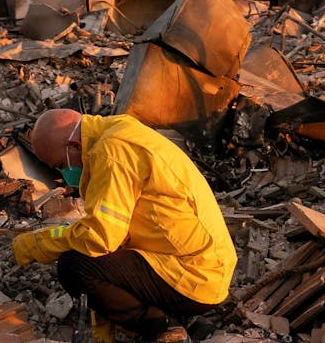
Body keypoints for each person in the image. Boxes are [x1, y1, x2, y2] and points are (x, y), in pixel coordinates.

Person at [12, 109, 235, 343]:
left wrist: (39, 243)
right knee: (90, 258)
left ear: (73, 146)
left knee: (75, 266)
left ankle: (161, 326)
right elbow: (114, 232)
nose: (63, 172)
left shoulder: (111, 152)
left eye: (60, 164)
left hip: (194, 277)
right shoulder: (119, 132)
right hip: (203, 266)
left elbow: (99, 237)